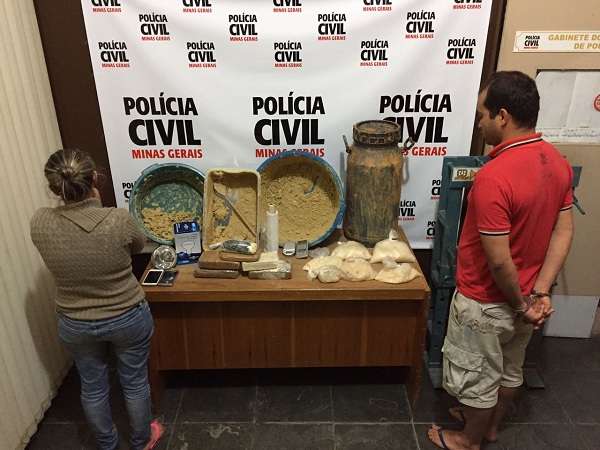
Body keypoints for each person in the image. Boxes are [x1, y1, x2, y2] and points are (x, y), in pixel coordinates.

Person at [427, 71, 574, 450]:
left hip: (488, 301)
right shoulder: (556, 162)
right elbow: (563, 231)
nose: (479, 123)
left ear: (503, 116)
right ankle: (490, 427)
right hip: (527, 298)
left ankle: (467, 439)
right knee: (509, 370)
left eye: (483, 114)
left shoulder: (494, 176)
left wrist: (519, 304)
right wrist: (539, 294)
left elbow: (498, 261)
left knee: (477, 376)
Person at [30, 149, 164, 450]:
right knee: (134, 382)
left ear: (54, 186)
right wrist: (96, 205)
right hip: (127, 315)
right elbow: (138, 245)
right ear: (94, 178)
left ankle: (107, 445)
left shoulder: (40, 222)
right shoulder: (118, 219)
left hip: (75, 322)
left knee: (92, 387)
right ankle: (142, 441)